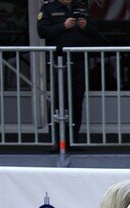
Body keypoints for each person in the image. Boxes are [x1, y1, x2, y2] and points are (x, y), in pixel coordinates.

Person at [37, 0, 97, 150]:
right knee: (59, 100)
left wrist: (85, 26)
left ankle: (71, 141)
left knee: (76, 99)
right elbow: (42, 32)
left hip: (79, 59)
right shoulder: (49, 8)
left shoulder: (81, 6)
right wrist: (63, 26)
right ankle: (58, 142)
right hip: (59, 61)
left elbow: (94, 31)